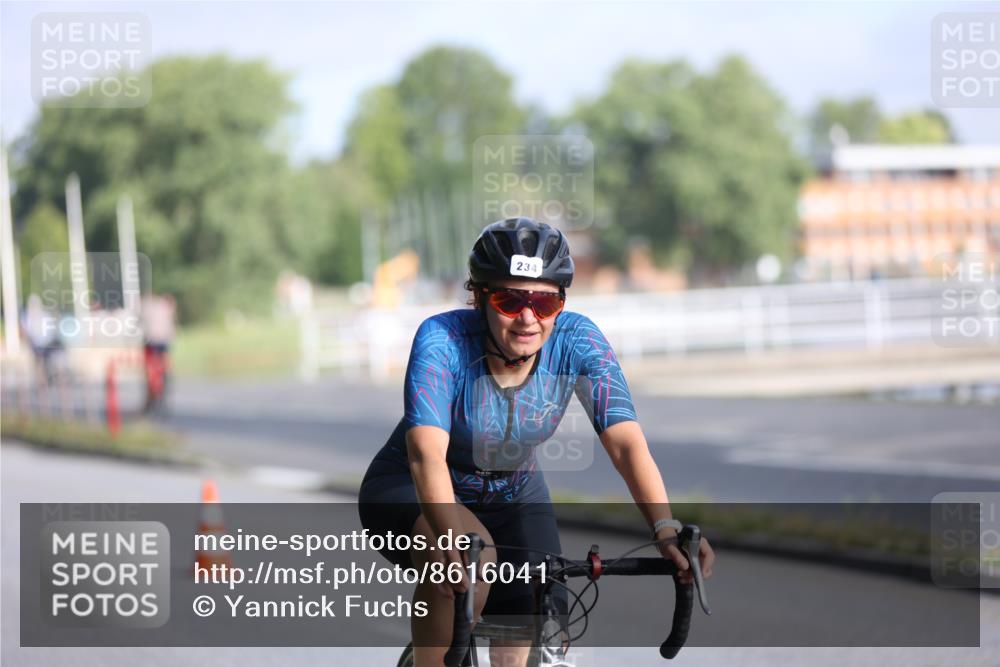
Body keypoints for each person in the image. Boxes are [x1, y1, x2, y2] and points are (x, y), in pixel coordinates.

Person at [358, 217, 714, 667]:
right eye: (510, 300)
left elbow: (626, 445)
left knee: (536, 621)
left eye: (544, 303)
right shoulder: (442, 338)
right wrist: (447, 535)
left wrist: (664, 530)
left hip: (514, 491)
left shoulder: (579, 340)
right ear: (480, 297)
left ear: (560, 304)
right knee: (472, 563)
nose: (528, 317)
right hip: (414, 486)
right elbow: (426, 454)